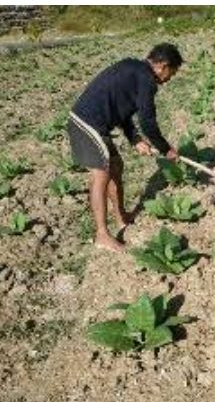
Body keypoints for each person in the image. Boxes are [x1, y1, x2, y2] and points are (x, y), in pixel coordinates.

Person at [67, 42, 183, 253]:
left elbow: (122, 108)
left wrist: (134, 139)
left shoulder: (133, 69)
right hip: (87, 123)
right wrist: (166, 149)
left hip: (95, 123)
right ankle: (102, 234)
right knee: (101, 174)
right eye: (172, 73)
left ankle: (121, 217)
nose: (169, 79)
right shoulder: (146, 79)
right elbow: (148, 122)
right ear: (163, 66)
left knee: (116, 167)